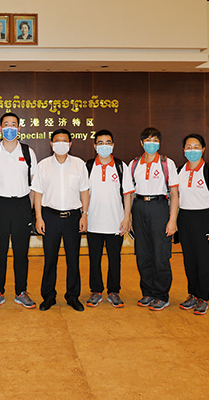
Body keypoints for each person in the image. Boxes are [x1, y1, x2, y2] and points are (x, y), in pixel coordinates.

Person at [0, 112, 38, 310]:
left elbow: (34, 186)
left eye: (14, 124)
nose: (10, 128)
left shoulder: (28, 152)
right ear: (0, 128)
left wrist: (30, 209)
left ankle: (21, 292)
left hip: (22, 205)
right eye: (6, 124)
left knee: (21, 253)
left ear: (19, 128)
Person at [31, 128, 90, 312]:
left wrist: (84, 214)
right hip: (50, 217)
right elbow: (38, 194)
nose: (61, 143)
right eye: (57, 140)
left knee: (73, 259)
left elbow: (84, 192)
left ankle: (73, 296)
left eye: (65, 140)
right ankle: (48, 296)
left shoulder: (79, 164)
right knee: (50, 259)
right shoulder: (43, 165)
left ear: (70, 144)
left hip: (73, 218)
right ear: (51, 144)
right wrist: (39, 217)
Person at [129, 127, 179, 311]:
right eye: (148, 140)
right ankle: (148, 292)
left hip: (159, 207)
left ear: (159, 143)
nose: (151, 144)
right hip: (139, 207)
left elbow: (174, 194)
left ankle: (161, 295)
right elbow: (129, 193)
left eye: (155, 140)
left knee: (161, 255)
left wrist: (172, 220)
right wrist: (129, 218)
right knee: (143, 254)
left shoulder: (167, 163)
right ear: (141, 143)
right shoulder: (134, 164)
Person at [176, 134, 209, 315]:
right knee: (189, 260)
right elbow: (175, 197)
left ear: (203, 149)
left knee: (203, 261)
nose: (192, 150)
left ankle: (203, 297)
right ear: (183, 149)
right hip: (184, 218)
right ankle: (193, 294)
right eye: (188, 147)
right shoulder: (179, 171)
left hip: (204, 218)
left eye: (196, 147)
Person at [84, 129, 132, 308]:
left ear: (113, 145)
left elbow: (128, 194)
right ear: (95, 146)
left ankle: (114, 291)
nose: (104, 146)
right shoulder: (88, 167)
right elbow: (83, 193)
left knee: (115, 259)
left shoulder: (121, 166)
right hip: (93, 222)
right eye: (100, 143)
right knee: (94, 259)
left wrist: (127, 218)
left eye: (107, 142)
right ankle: (96, 291)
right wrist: (84, 215)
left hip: (115, 223)